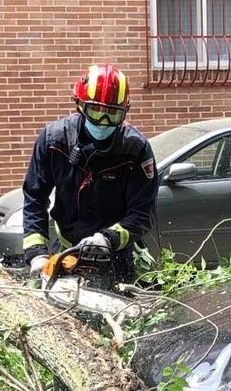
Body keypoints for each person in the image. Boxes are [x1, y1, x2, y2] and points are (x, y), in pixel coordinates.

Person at [19, 64, 159, 283]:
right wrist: (36, 252)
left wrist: (109, 238)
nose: (103, 122)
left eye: (112, 114)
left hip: (117, 255)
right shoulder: (54, 141)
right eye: (96, 112)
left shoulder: (135, 150)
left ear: (124, 112)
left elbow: (143, 212)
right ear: (80, 106)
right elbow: (34, 198)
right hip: (66, 250)